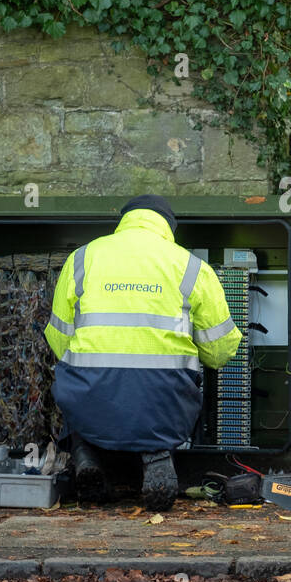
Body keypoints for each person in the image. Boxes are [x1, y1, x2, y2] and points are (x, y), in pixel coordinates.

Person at [44, 194, 242, 509]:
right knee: (179, 387)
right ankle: (158, 456)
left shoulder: (82, 258)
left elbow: (58, 340)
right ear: (168, 227)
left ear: (124, 221)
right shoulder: (191, 266)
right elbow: (219, 352)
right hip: (164, 399)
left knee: (71, 381)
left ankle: (85, 455)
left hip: (91, 394)